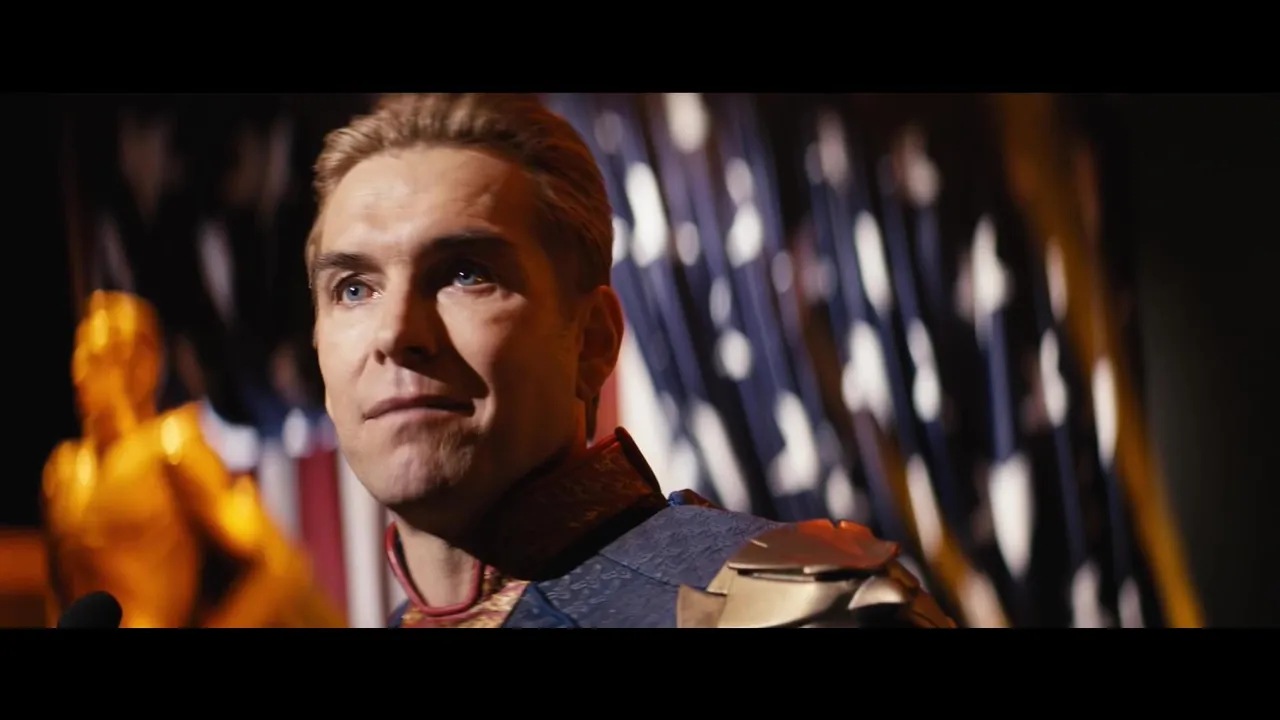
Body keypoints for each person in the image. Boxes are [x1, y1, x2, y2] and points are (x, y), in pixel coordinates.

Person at [307, 93, 954, 628]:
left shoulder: (794, 609)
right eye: (354, 289)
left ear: (592, 341)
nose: (397, 333)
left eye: (466, 274)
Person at [42, 291, 343, 628]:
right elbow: (58, 600)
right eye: (80, 360)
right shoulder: (64, 473)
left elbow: (278, 564)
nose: (81, 375)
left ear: (140, 367)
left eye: (98, 360)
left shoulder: (170, 447)